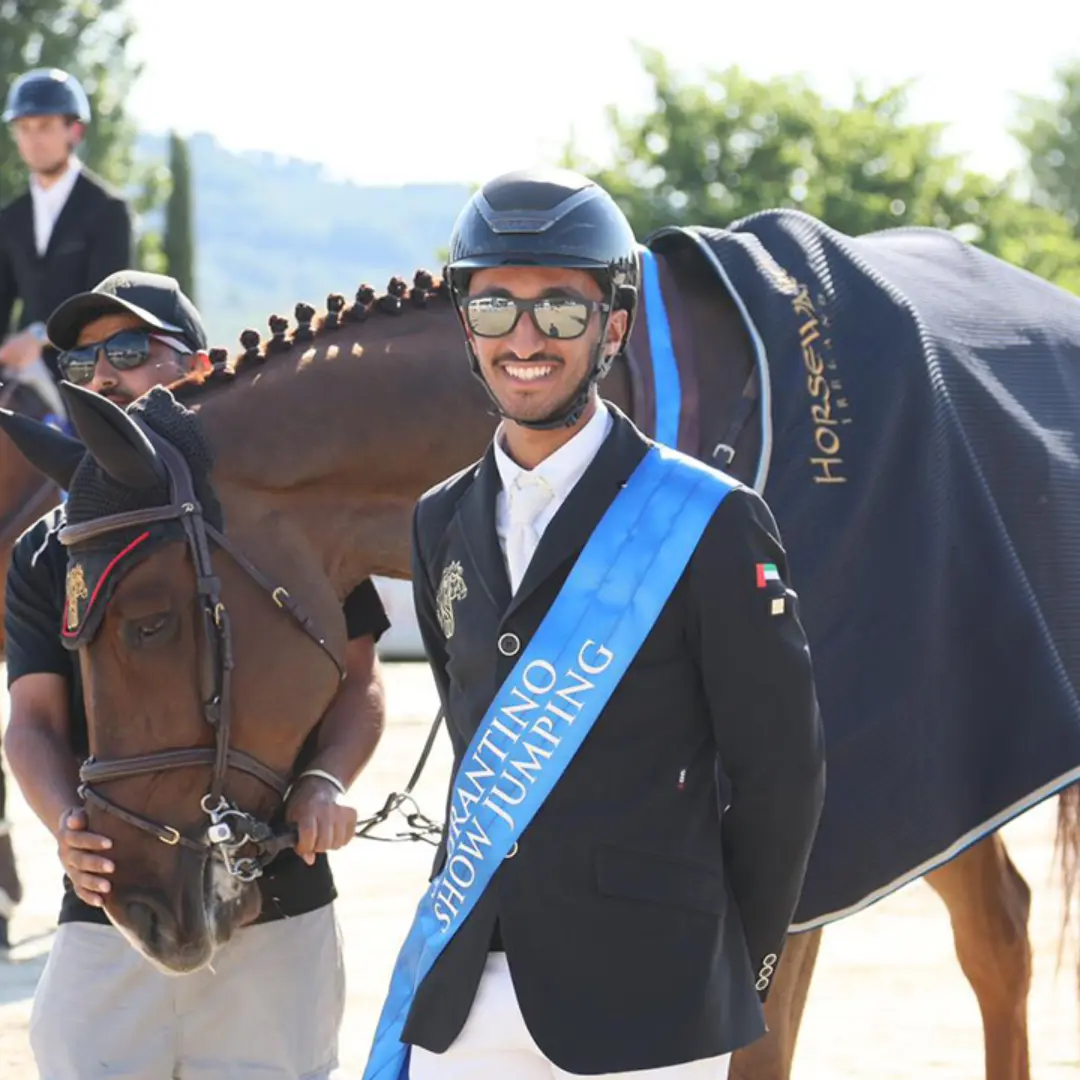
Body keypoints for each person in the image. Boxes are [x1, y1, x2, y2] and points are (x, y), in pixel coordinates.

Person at [365, 168, 827, 1080]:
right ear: (467, 327)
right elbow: (475, 740)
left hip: (648, 1007)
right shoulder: (437, 521)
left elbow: (783, 775)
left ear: (612, 327)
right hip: (463, 1000)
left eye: (561, 311)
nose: (526, 338)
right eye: (495, 307)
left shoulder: (707, 520)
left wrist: (739, 971)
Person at [3, 271, 389, 1079]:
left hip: (280, 913)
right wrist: (67, 825)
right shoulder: (46, 551)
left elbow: (360, 682)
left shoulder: (295, 529)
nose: (103, 374)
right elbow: (32, 722)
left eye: (132, 350)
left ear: (198, 367)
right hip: (108, 917)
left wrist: (325, 779)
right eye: (82, 364)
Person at [0, 68, 132, 388]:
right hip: (22, 376)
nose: (33, 139)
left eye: (44, 127)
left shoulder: (109, 210)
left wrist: (37, 337)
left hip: (90, 375)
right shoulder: (10, 217)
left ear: (74, 131)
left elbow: (104, 303)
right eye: (23, 128)